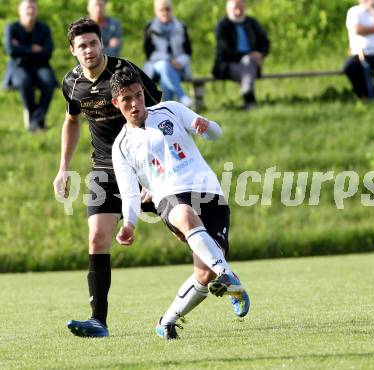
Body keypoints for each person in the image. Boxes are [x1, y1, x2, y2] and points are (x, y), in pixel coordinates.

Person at [110, 67, 250, 340]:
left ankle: (166, 321)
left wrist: (207, 128)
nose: (135, 103)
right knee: (185, 216)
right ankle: (231, 281)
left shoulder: (170, 109)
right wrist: (129, 223)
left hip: (209, 192)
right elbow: (129, 193)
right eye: (127, 99)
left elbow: (215, 133)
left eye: (138, 95)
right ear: (116, 102)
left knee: (205, 272)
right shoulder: (122, 146)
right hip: (169, 196)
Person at [52, 17, 161, 338]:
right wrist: (63, 167)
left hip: (143, 166)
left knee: (183, 225)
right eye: (82, 46)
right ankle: (98, 320)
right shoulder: (72, 83)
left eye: (93, 43)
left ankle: (217, 270)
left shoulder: (124, 72)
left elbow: (158, 114)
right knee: (97, 238)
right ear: (73, 50)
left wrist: (153, 174)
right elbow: (71, 120)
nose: (88, 50)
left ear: (102, 43)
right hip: (104, 168)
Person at [3, 0, 57, 131]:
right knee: (24, 81)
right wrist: (32, 49)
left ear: (37, 11)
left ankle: (35, 121)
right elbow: (10, 50)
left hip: (41, 66)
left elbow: (48, 51)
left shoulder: (44, 28)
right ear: (19, 10)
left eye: (33, 8)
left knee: (49, 82)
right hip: (18, 67)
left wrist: (22, 49)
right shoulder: (12, 28)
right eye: (27, 8)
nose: (30, 11)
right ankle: (36, 122)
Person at [212, 0, 270, 110]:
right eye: (235, 9)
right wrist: (248, 55)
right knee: (248, 63)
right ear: (228, 10)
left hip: (251, 64)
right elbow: (225, 52)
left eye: (241, 8)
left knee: (248, 62)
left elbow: (265, 43)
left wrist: (260, 54)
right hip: (229, 65)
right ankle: (249, 99)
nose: (238, 12)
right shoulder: (222, 26)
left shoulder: (252, 23)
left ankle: (247, 94)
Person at [143, 0, 193, 106]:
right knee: (164, 66)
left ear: (172, 10)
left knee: (165, 77)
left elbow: (188, 52)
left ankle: (168, 109)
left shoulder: (181, 27)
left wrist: (179, 61)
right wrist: (168, 59)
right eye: (161, 10)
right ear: (156, 12)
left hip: (178, 66)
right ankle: (182, 95)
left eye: (168, 9)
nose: (165, 12)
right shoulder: (150, 28)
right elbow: (149, 53)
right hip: (156, 65)